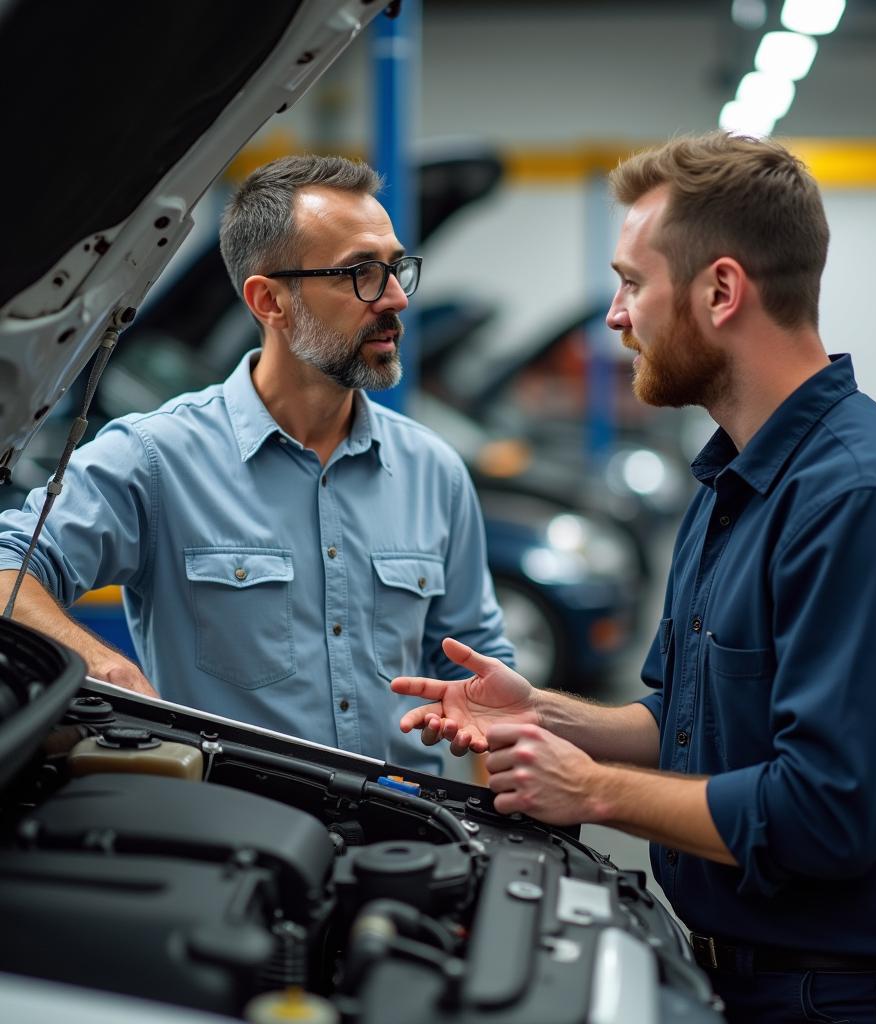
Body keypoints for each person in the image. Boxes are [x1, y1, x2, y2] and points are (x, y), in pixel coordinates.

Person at [391, 132, 876, 1022]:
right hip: (739, 977)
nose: (614, 314)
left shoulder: (864, 500)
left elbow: (827, 816)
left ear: (721, 290)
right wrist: (546, 716)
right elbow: (688, 726)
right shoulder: (734, 481)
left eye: (633, 282)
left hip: (849, 999)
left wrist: (590, 790)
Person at [0, 154, 514, 772]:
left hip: (409, 836)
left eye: (397, 268)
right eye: (362, 273)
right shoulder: (157, 459)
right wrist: (101, 664)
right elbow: (7, 568)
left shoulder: (434, 471)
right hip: (232, 838)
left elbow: (481, 663)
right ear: (269, 300)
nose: (397, 298)